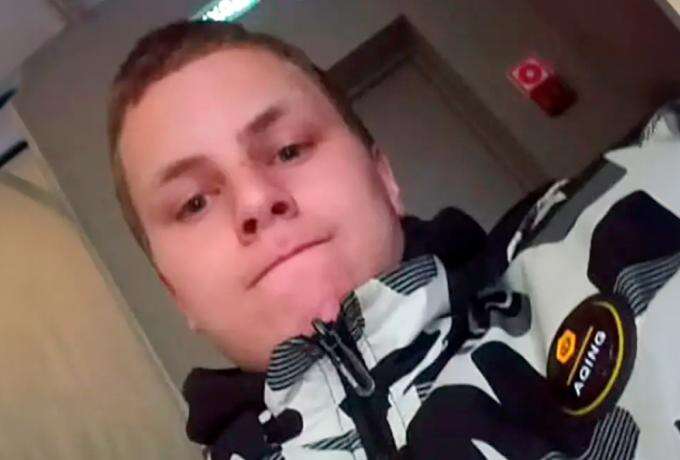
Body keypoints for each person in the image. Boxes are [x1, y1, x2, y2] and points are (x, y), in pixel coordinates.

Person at [109, 20, 680, 460]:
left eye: (288, 150)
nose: (256, 201)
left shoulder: (631, 226)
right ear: (176, 294)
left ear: (384, 177)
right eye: (194, 203)